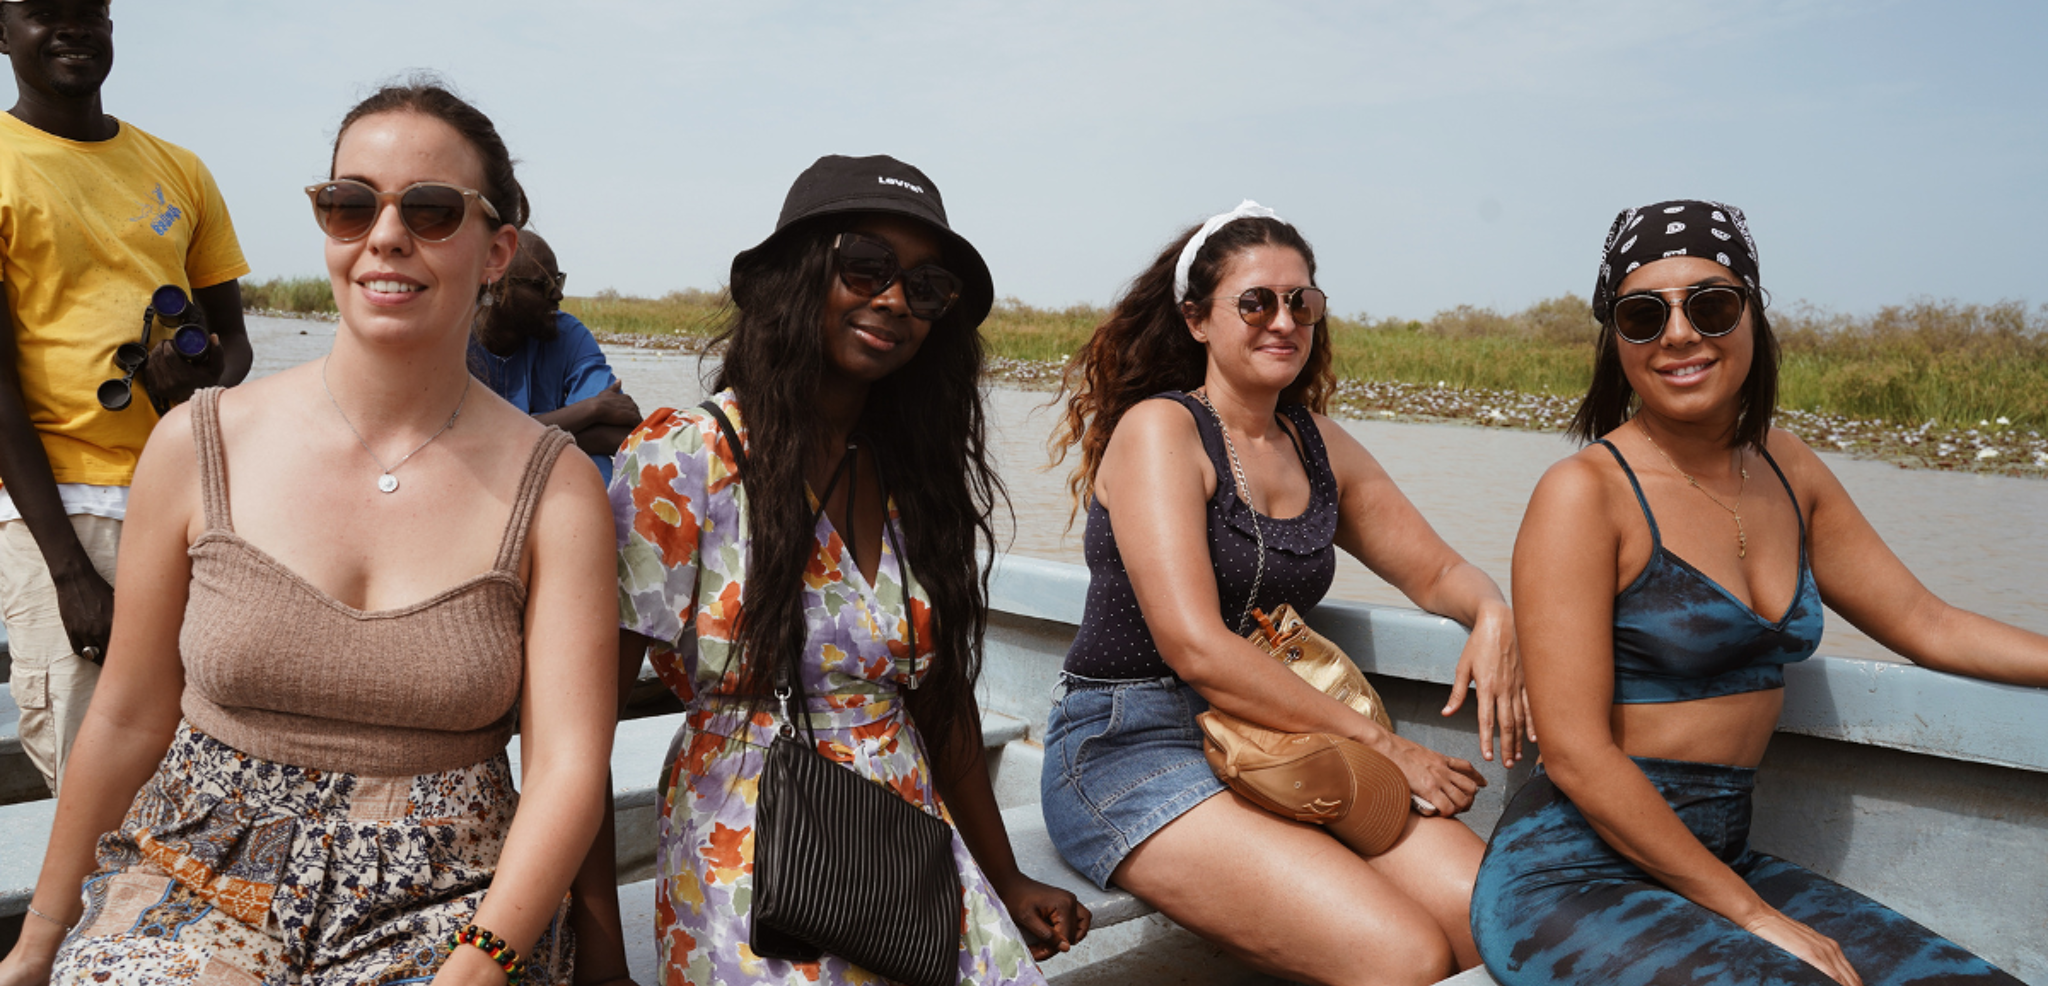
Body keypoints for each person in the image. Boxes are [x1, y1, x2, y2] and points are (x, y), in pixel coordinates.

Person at [0, 80, 618, 986]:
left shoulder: (555, 488)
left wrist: (482, 961)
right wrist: (39, 936)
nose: (387, 234)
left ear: (498, 250)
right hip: (196, 869)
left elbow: (567, 763)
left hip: (450, 892)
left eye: (434, 210)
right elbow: (129, 715)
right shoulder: (198, 442)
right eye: (350, 203)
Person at [1472, 199, 2047, 986]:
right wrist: (1753, 914)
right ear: (1617, 343)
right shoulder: (1583, 494)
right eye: (1643, 316)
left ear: (1751, 315)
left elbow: (1925, 620)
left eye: (1710, 305)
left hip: (1719, 857)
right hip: (1573, 879)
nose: (1680, 334)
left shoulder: (1788, 467)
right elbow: (1574, 753)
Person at [613, 153, 1089, 985]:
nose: (896, 299)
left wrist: (1004, 877)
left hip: (906, 836)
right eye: (865, 266)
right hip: (751, 840)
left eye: (926, 287)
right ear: (798, 278)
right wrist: (600, 961)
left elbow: (940, 701)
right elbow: (581, 723)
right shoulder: (688, 459)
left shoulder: (909, 471)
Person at [1041, 201, 1529, 986]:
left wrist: (1492, 610)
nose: (1284, 320)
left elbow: (1437, 572)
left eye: (1302, 301)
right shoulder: (1160, 433)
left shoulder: (1316, 442)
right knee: (1402, 957)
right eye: (1256, 301)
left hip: (1286, 737)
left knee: (1498, 925)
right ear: (1198, 320)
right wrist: (1386, 747)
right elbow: (1194, 645)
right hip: (1130, 742)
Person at [0, 0, 252, 794]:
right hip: (60, 514)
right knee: (92, 784)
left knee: (203, 772)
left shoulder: (180, 167)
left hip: (189, 509)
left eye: (91, 11)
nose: (72, 27)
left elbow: (236, 345)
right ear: (1, 32)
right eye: (44, 11)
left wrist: (199, 376)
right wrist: (71, 574)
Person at [471, 229, 641, 482]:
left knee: (593, 463)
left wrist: (512, 442)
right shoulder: (451, 343)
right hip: (470, 486)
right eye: (543, 285)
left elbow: (621, 431)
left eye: (558, 281)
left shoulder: (568, 334)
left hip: (548, 486)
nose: (557, 295)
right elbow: (458, 444)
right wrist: (592, 409)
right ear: (495, 286)